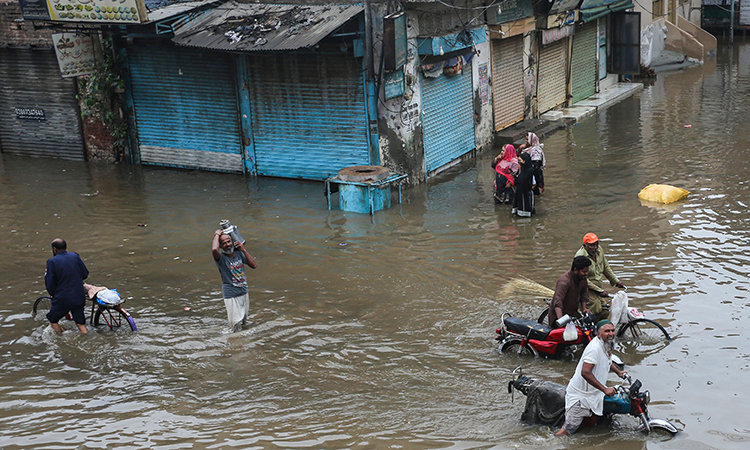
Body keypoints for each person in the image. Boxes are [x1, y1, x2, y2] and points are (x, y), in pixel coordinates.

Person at [554, 320, 628, 436]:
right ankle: (553, 442)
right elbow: (585, 372)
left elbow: (608, 361)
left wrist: (619, 372)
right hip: (581, 396)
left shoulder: (606, 344)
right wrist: (605, 389)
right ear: (598, 334)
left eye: (613, 331)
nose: (611, 333)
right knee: (568, 430)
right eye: (607, 331)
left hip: (594, 393)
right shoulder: (594, 349)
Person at [212, 229, 258, 332]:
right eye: (223, 243)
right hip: (231, 294)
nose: (227, 244)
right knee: (236, 326)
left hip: (243, 291)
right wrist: (217, 234)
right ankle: (235, 345)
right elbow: (214, 250)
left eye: (229, 241)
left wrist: (244, 250)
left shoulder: (239, 253)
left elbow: (254, 265)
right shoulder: (221, 258)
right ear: (220, 246)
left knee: (244, 323)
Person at [574, 233, 626, 321]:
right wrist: (599, 291)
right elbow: (583, 278)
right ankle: (591, 330)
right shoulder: (580, 256)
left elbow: (605, 267)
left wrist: (616, 281)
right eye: (591, 245)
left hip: (598, 287)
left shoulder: (599, 250)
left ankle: (600, 329)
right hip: (586, 288)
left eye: (596, 244)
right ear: (585, 246)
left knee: (605, 310)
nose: (595, 247)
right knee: (595, 309)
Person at [44, 238, 89, 333]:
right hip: (79, 295)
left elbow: (50, 283)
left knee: (53, 319)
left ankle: (61, 340)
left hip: (63, 297)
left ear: (54, 249)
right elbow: (85, 274)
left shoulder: (52, 262)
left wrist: (53, 294)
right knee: (80, 323)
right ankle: (86, 336)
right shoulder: (75, 256)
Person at [548, 255, 591, 328]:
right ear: (576, 270)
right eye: (584, 272)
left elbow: (584, 293)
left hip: (572, 312)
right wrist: (560, 319)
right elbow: (558, 302)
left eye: (587, 271)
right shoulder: (564, 282)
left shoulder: (582, 279)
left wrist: (584, 308)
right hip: (558, 315)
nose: (586, 274)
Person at [512, 153, 535, 217]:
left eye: (520, 161)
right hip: (519, 194)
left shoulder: (529, 171)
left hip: (526, 195)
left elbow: (531, 184)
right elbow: (517, 181)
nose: (518, 164)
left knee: (525, 212)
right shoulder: (520, 170)